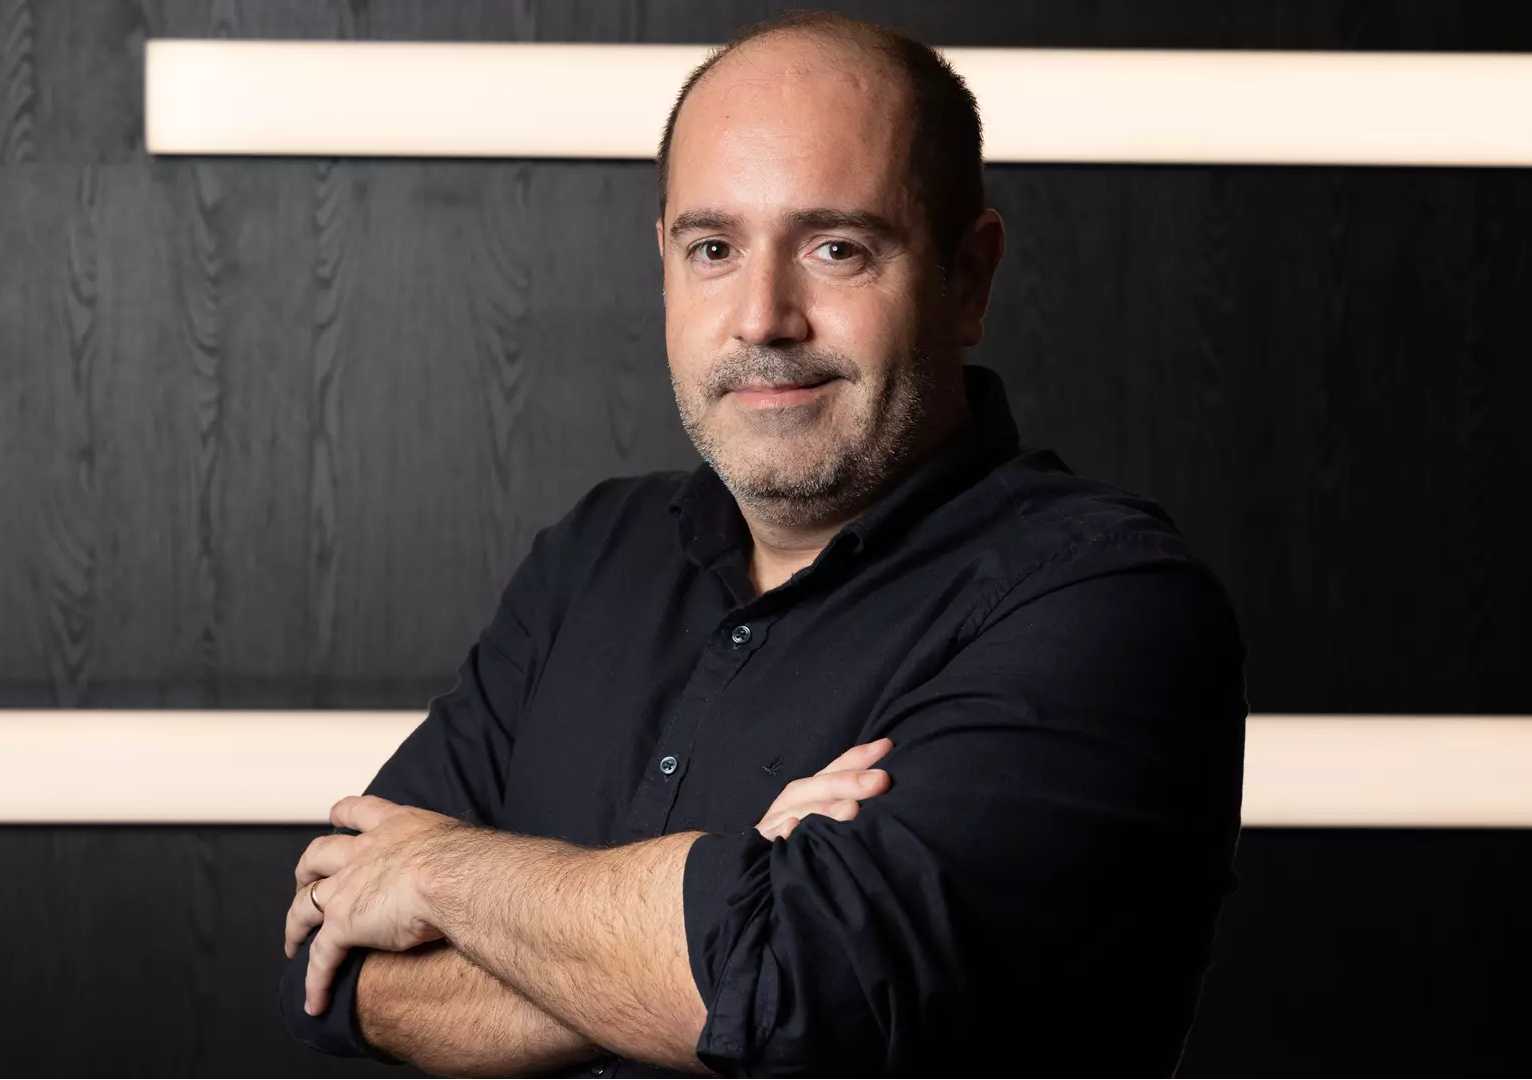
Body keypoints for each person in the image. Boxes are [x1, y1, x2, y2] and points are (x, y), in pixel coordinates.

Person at [279, 11, 1246, 1078]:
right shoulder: (593, 556)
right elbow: (338, 966)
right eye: (713, 249)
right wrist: (718, 914)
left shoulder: (1106, 602)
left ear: (967, 277)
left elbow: (806, 990)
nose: (761, 318)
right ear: (663, 262)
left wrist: (450, 875)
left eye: (836, 248)